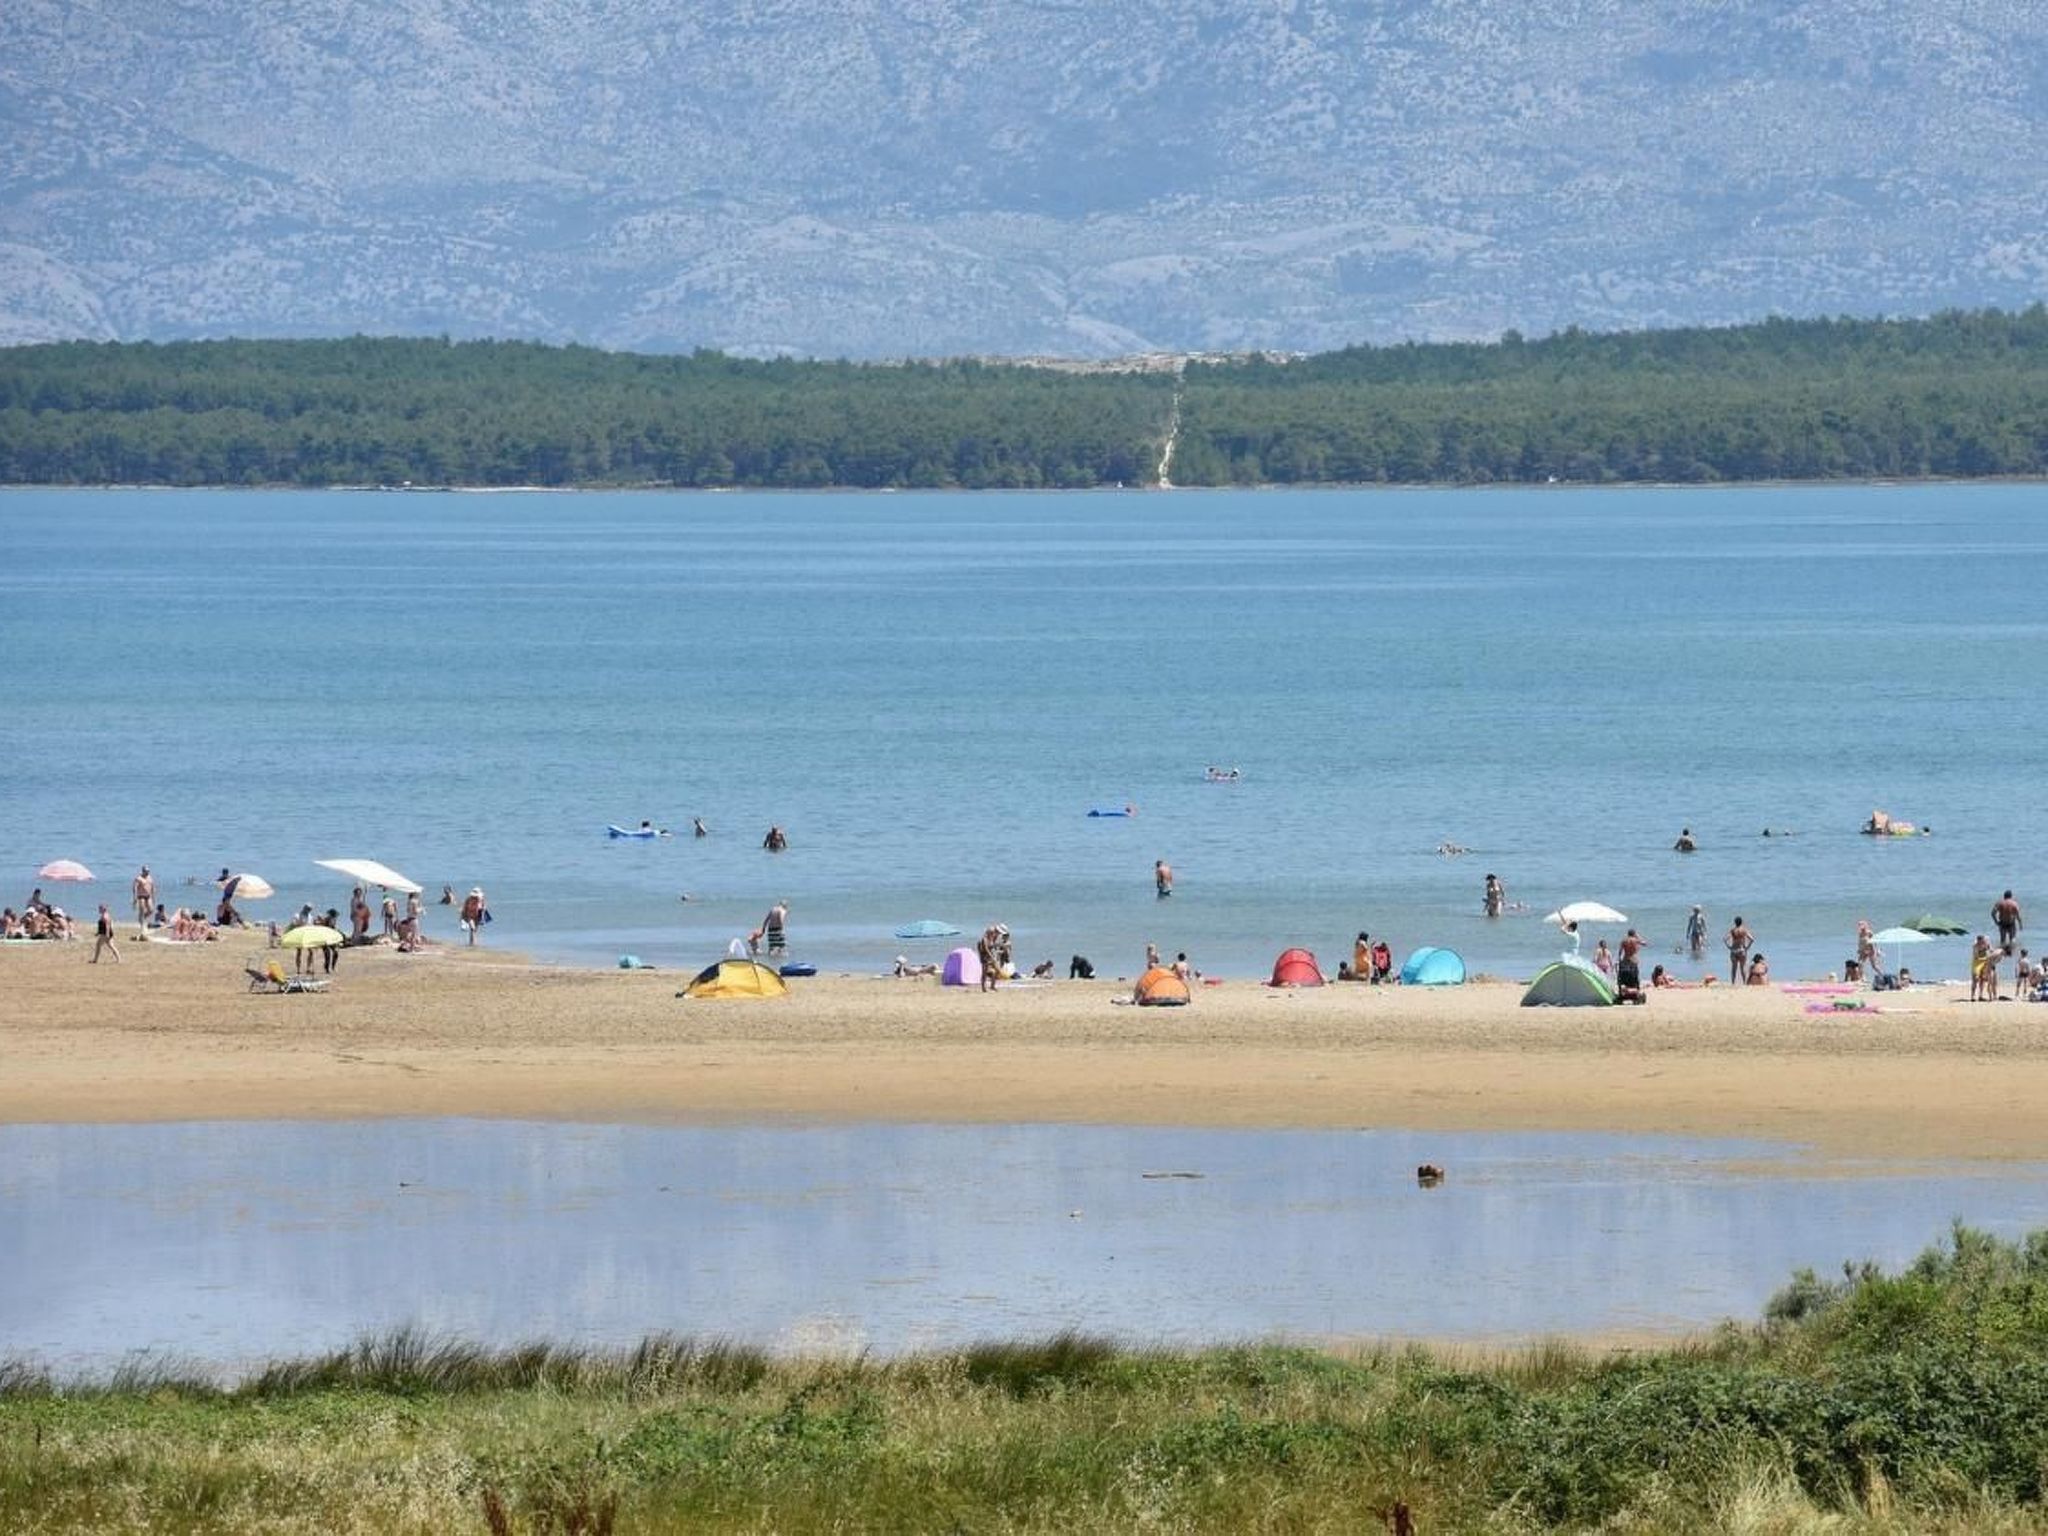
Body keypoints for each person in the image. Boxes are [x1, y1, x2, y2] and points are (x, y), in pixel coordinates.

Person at [1725, 915, 1753, 984]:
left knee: (1734, 968)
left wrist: (1729, 947)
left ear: (1735, 923)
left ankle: (1733, 983)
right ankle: (1744, 983)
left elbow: (1725, 939)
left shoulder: (1732, 930)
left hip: (1734, 951)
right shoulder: (1744, 930)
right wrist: (1747, 947)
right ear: (1741, 922)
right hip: (1742, 950)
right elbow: (1752, 939)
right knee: (1742, 968)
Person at [1971, 934, 1997, 1001]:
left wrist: (1993, 954)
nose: (1982, 943)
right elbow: (1976, 957)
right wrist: (1987, 958)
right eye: (1981, 941)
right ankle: (1973, 996)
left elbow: (1992, 950)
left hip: (1985, 962)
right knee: (1975, 979)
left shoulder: (1987, 943)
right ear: (1978, 941)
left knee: (1983, 979)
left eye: (1983, 941)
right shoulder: (1975, 946)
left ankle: (1980, 995)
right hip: (1977, 962)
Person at [132, 865, 155, 936]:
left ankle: (142, 919)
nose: (147, 872)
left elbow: (153, 887)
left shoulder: (150, 878)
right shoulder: (138, 878)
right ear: (143, 871)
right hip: (141, 896)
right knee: (142, 910)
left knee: (151, 910)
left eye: (148, 871)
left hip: (148, 896)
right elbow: (134, 888)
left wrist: (153, 896)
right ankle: (142, 925)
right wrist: (135, 897)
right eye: (146, 871)